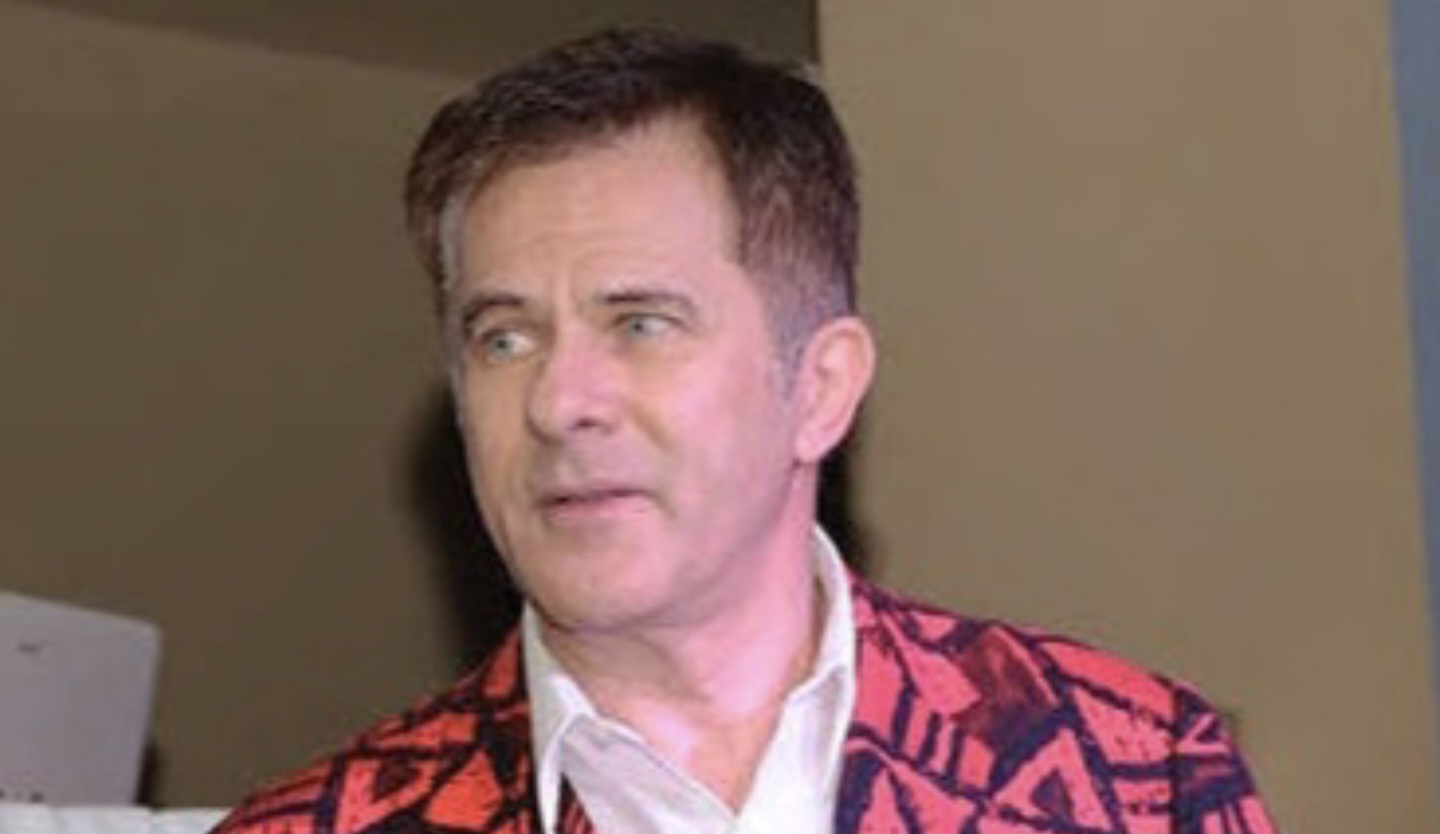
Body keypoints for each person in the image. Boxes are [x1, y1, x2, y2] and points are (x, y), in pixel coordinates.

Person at [212, 27, 1279, 834]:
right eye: (504, 338)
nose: (557, 400)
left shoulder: (1135, 776)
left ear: (819, 388)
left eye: (640, 322)